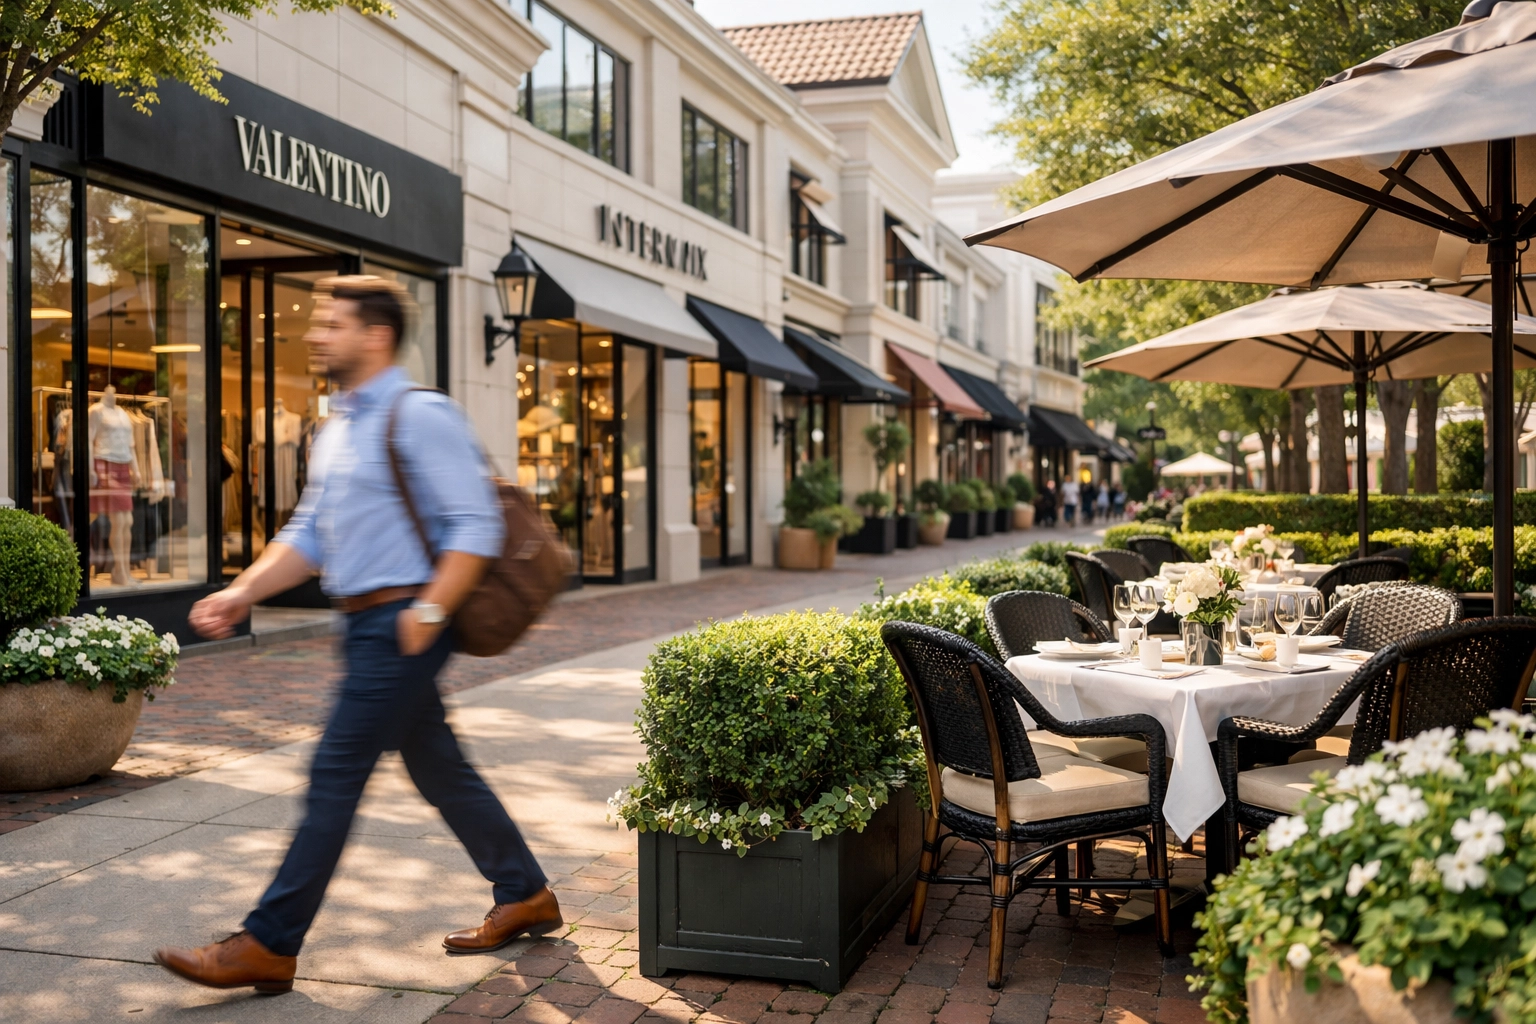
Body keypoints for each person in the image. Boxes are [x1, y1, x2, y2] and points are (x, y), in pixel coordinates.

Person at [153, 277, 559, 995]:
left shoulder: (422, 414)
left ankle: (269, 942)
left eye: (332, 324)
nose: (316, 335)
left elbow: (474, 524)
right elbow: (310, 533)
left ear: (376, 335)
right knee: (439, 766)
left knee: (333, 774)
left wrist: (427, 614)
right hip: (365, 621)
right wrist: (243, 591)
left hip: (404, 622)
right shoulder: (337, 426)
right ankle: (525, 892)